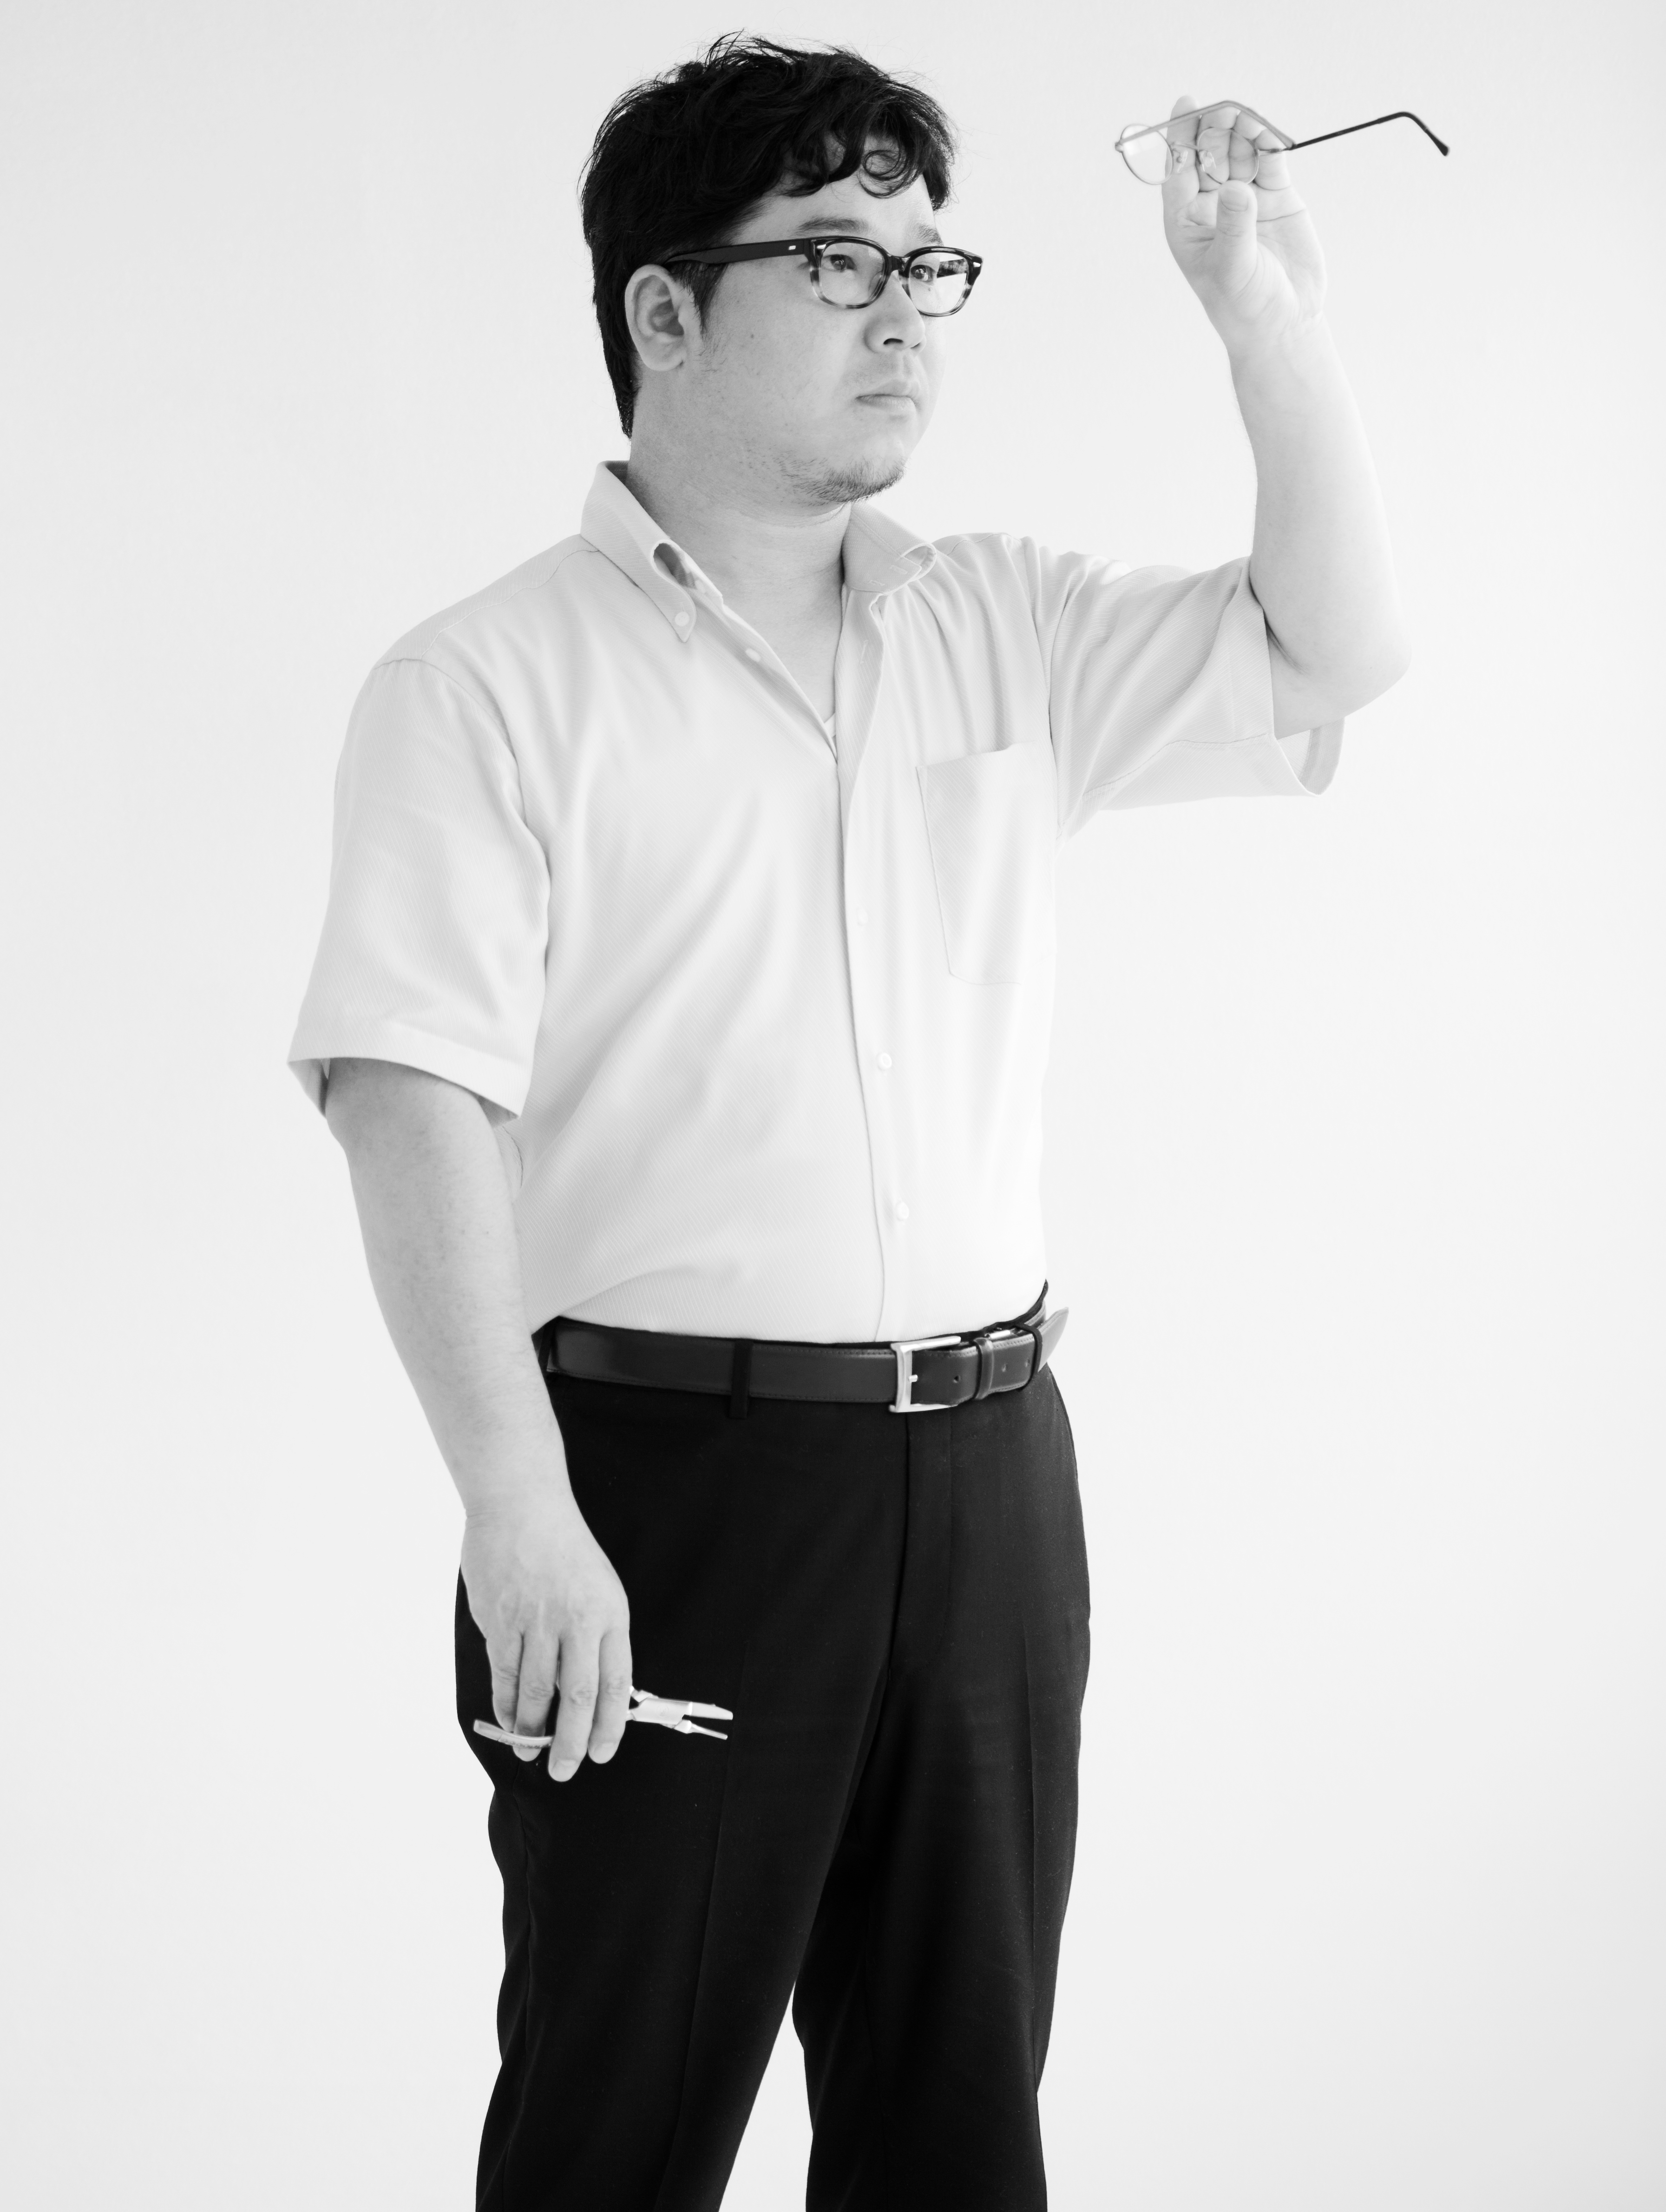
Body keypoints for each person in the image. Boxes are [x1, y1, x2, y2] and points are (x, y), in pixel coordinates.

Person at [287, 32, 1408, 2212]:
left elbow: (1337, 646)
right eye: (834, 258)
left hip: (991, 1477)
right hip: (667, 1492)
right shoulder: (482, 682)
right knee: (619, 2129)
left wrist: (1263, 308)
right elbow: (412, 1092)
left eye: (928, 263)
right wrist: (516, 1506)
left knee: (957, 2129)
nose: (905, 311)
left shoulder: (1000, 621)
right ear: (664, 309)